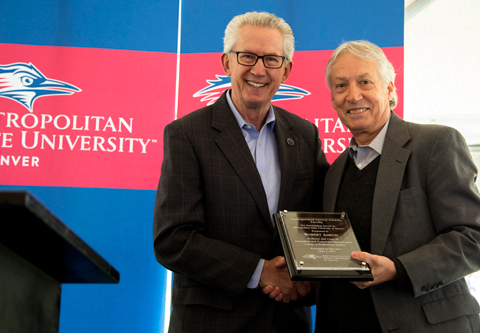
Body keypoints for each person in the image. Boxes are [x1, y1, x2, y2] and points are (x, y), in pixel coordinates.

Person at [153, 12, 329, 333]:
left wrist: (311, 280)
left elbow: (320, 221)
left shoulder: (305, 135)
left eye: (272, 59)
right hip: (212, 323)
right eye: (247, 56)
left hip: (287, 321)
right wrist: (260, 271)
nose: (258, 69)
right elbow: (173, 239)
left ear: (286, 70)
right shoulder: (187, 134)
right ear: (226, 62)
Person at [315, 40, 480, 332]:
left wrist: (398, 269)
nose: (353, 95)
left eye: (365, 82)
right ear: (332, 99)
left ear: (390, 89)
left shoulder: (436, 144)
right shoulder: (334, 171)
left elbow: (473, 238)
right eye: (341, 86)